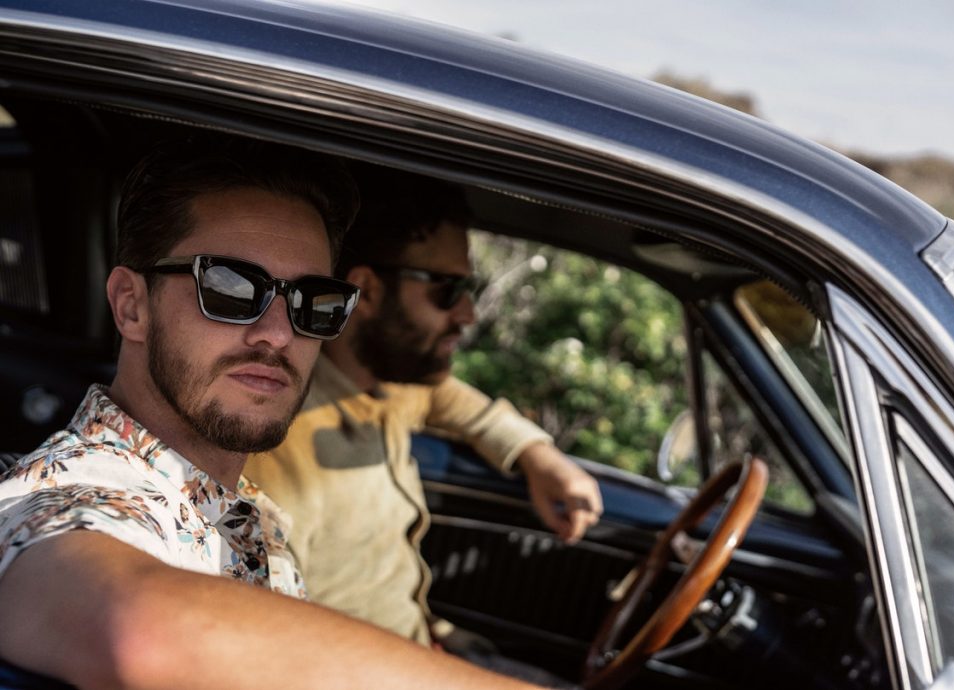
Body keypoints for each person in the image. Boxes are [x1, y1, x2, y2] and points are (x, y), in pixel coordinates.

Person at [0, 139, 544, 690]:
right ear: (131, 305)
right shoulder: (64, 492)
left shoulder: (237, 506)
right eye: (231, 289)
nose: (279, 334)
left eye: (313, 301)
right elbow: (135, 626)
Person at [246, 166, 604, 657]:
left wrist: (536, 455)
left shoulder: (391, 385)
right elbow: (275, 643)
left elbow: (446, 398)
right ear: (367, 290)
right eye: (446, 289)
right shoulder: (274, 448)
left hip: (423, 641)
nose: (468, 313)